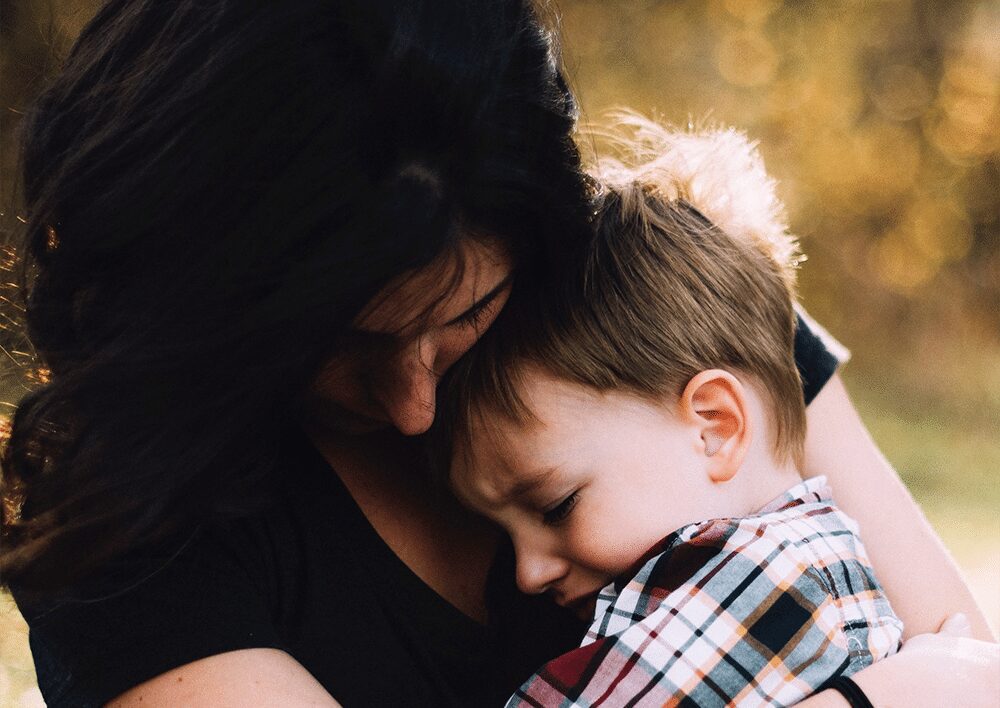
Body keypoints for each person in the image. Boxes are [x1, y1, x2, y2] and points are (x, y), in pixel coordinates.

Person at [0, 2, 994, 707]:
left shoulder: (651, 310)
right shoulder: (131, 536)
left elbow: (973, 667)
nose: (414, 406)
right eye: (337, 342)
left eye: (465, 314)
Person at [438, 124, 904, 706]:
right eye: (505, 535)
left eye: (557, 505)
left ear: (714, 426)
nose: (527, 574)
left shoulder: (766, 584)